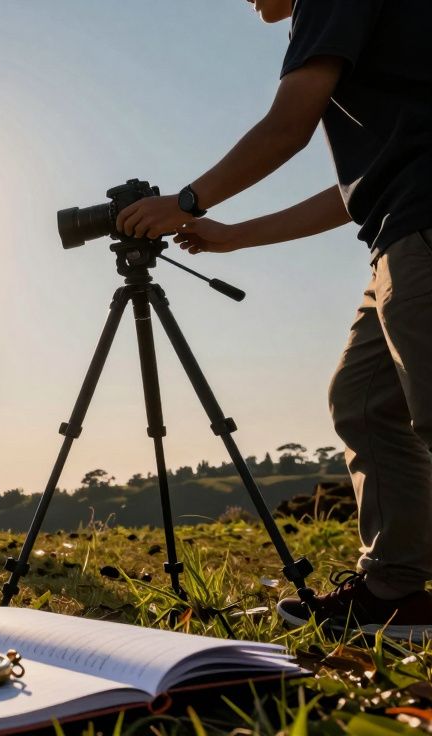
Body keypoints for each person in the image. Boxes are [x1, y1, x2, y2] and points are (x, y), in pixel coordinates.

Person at [116, 0, 432, 640]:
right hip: (399, 226)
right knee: (364, 400)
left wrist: (184, 201)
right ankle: (393, 591)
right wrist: (232, 236)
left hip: (424, 226)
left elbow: (287, 125)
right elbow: (357, 189)